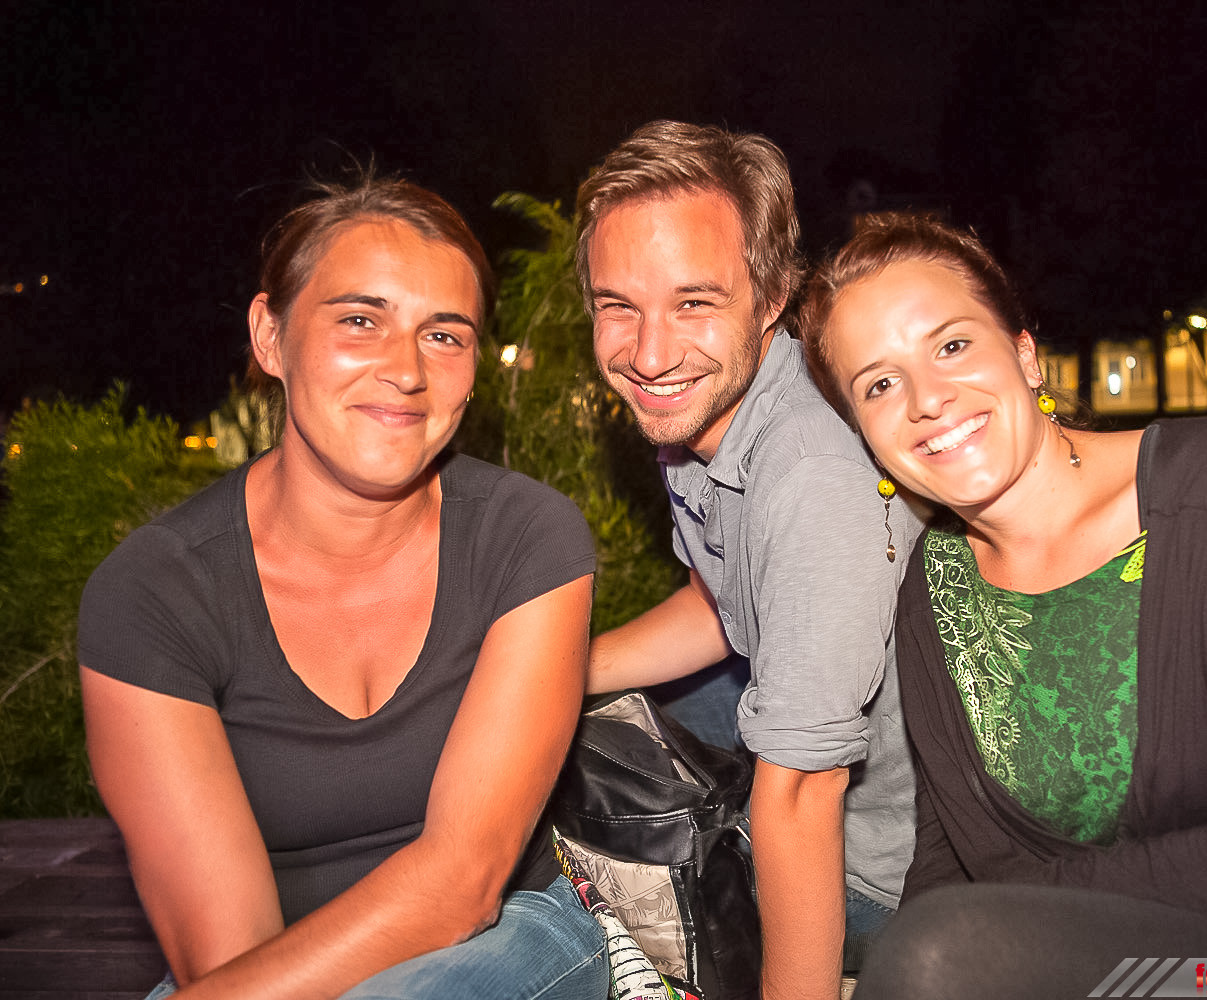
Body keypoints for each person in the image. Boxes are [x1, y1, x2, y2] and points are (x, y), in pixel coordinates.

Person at [796, 213, 1207, 998]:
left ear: (1026, 355)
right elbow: (944, 858)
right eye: (880, 384)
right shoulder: (935, 587)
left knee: (940, 952)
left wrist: (1004, 913)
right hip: (1057, 962)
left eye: (951, 346)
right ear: (864, 433)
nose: (927, 398)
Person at [77, 177, 607, 999]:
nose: (407, 370)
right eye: (361, 320)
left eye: (445, 335)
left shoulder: (524, 536)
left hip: (514, 933)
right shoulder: (156, 592)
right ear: (270, 335)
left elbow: (464, 883)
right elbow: (226, 959)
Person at [576, 121, 923, 996]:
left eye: (694, 302)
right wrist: (558, 674)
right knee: (551, 729)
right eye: (619, 305)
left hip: (876, 874)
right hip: (799, 761)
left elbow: (804, 794)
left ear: (772, 295)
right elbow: (718, 602)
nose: (650, 355)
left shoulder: (808, 470)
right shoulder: (701, 405)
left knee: (564, 827)